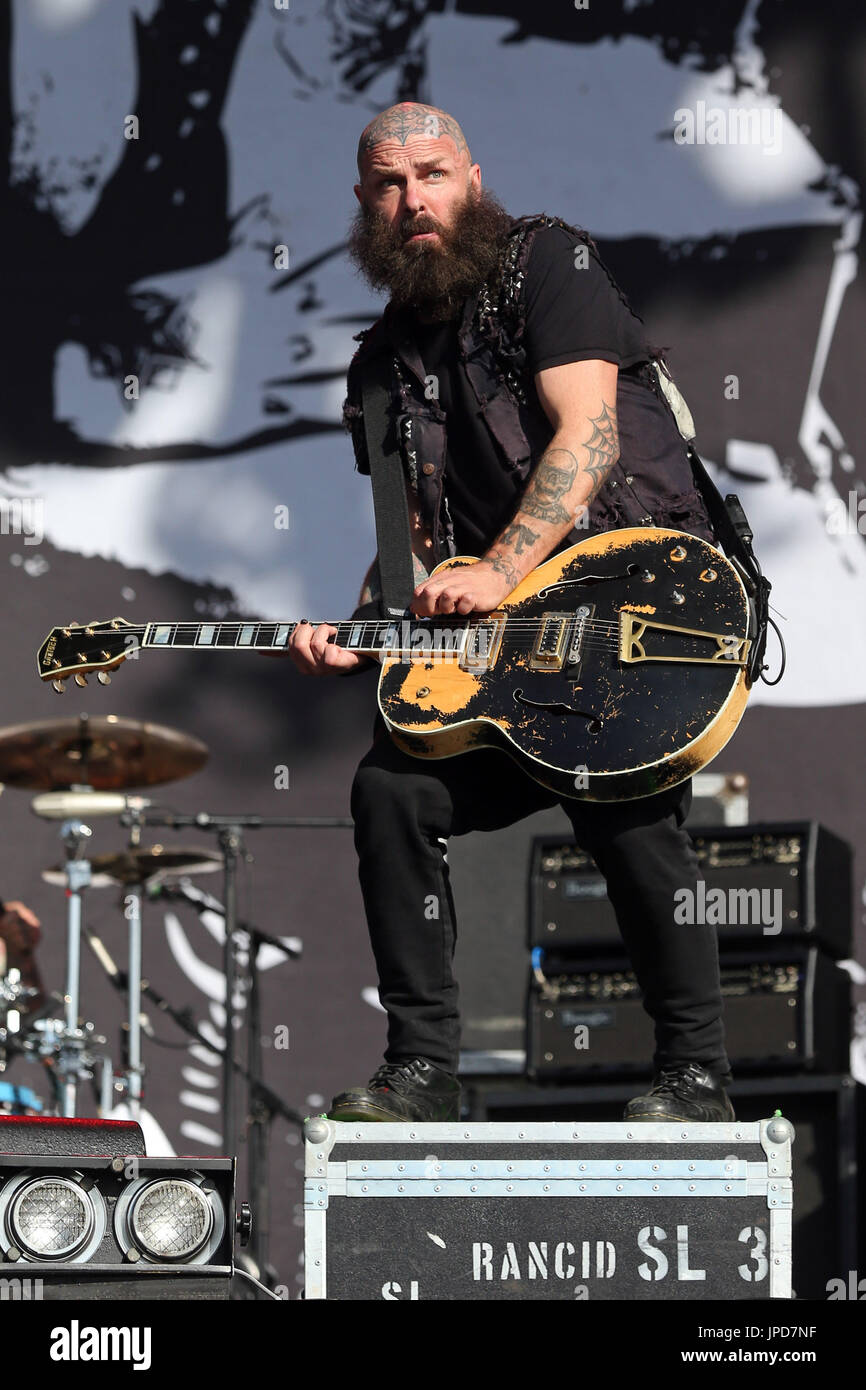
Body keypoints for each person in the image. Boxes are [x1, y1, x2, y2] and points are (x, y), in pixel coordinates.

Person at [288, 102, 735, 1125]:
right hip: (499, 660)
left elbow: (587, 440)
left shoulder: (545, 264)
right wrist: (352, 628)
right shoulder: (377, 370)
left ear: (471, 181)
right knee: (391, 793)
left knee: (630, 821)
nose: (415, 202)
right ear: (364, 206)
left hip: (623, 609)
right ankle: (421, 1071)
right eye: (391, 186)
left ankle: (694, 1075)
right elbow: (404, 550)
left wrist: (496, 568)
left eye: (433, 176)